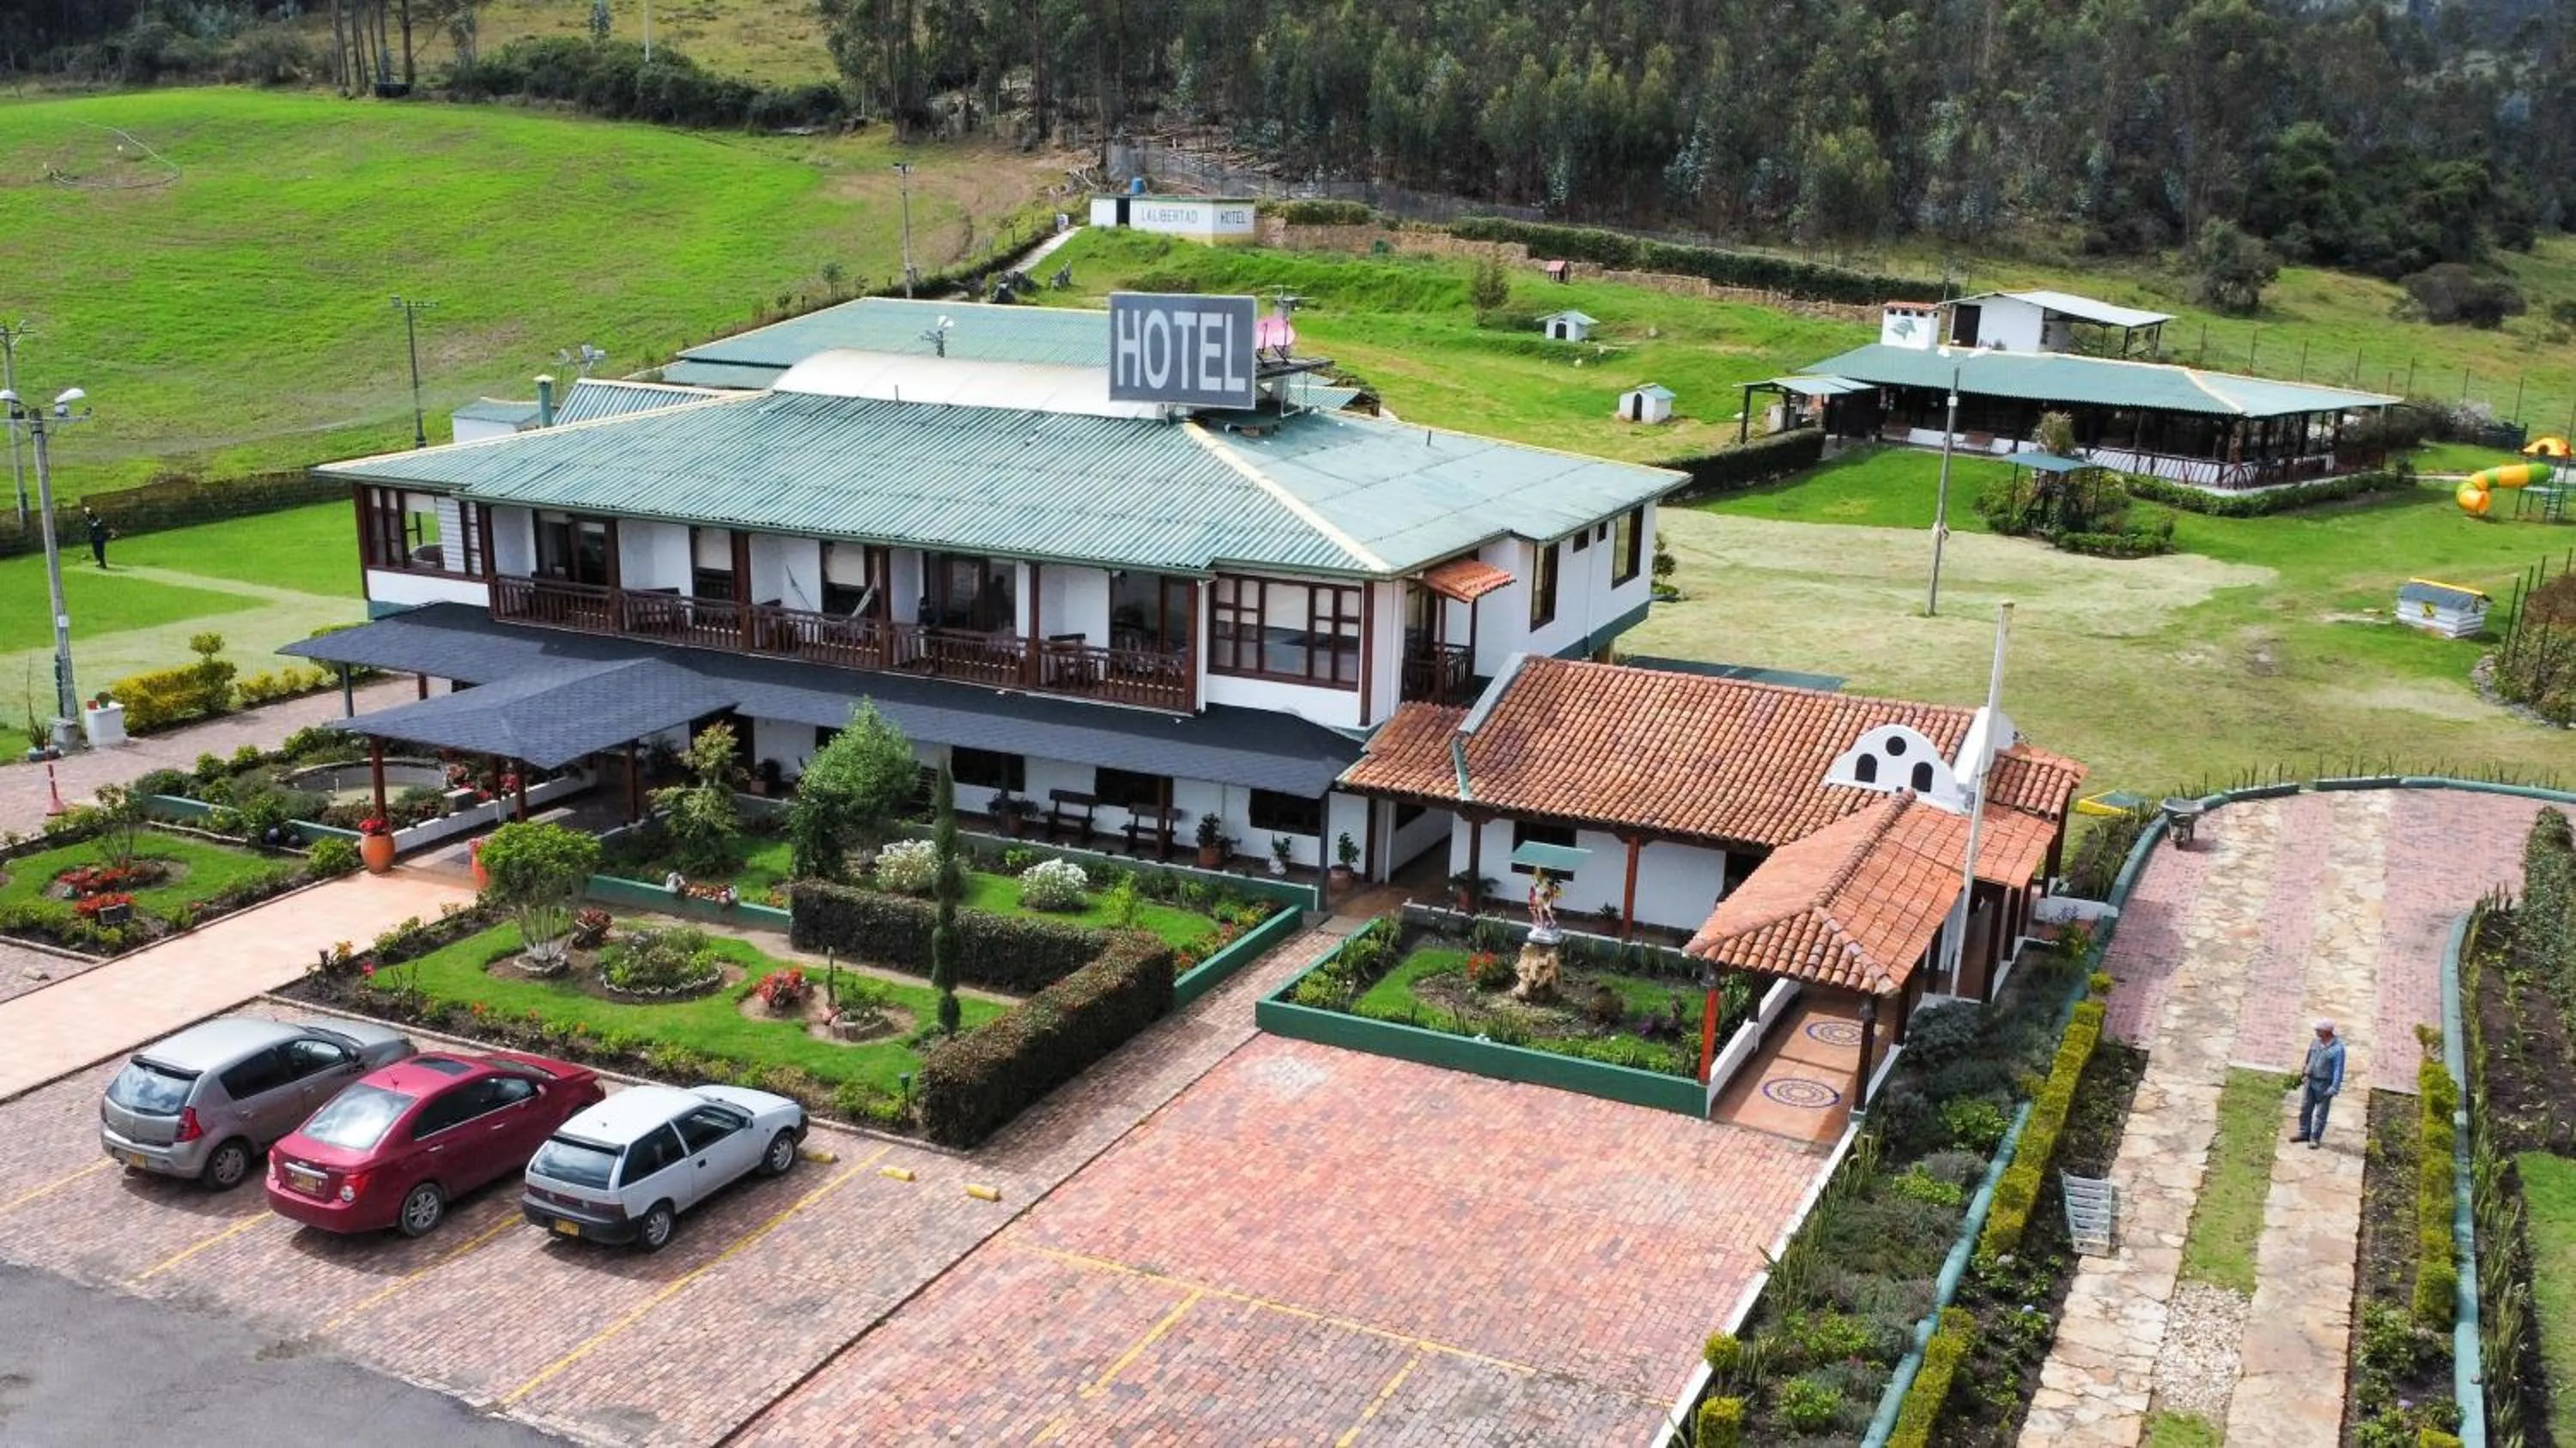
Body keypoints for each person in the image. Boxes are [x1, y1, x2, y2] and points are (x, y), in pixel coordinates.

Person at [2293, 1019, 2346, 1147]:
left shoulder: (2338, 1049)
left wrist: (2334, 1087)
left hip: (2324, 1084)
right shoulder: (2315, 1042)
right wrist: (2304, 1073)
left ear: (2326, 1032)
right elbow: (2308, 1058)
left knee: (2321, 1113)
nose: (2315, 1031)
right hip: (2310, 1080)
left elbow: (2339, 1069)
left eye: (2318, 1030)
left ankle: (2315, 1138)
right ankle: (2304, 1132)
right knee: (2305, 1108)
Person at [82, 504, 111, 569]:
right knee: (97, 552)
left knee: (99, 551)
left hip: (98, 538)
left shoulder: (95, 519)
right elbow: (93, 526)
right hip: (96, 538)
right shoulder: (90, 520)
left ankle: (103, 564)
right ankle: (101, 563)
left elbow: (96, 525)